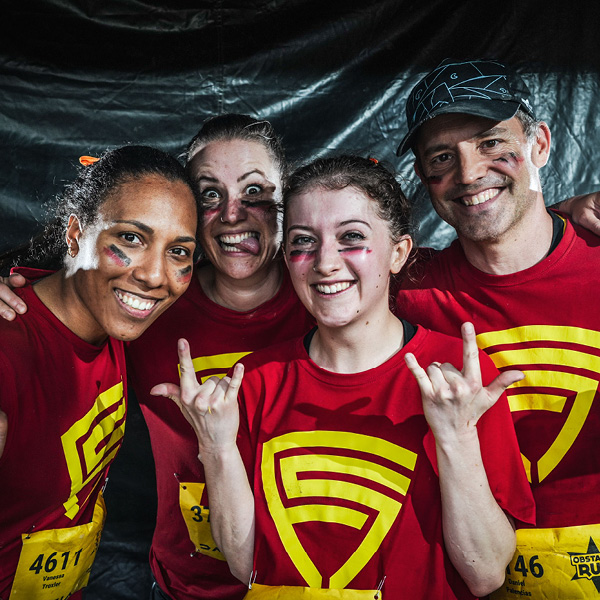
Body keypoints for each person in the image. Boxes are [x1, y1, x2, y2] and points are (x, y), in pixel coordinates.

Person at [154, 155, 536, 599]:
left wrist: (456, 438)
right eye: (303, 241)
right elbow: (246, 567)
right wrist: (217, 447)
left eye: (351, 237)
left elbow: (485, 573)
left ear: (398, 253)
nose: (325, 263)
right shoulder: (256, 381)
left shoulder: (459, 378)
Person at [394, 58, 600, 598]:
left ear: (540, 145)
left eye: (490, 143)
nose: (468, 174)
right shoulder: (405, 292)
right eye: (443, 158)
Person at [125, 114, 314, 600]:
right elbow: (64, 307)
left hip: (308, 583)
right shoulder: (149, 305)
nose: (232, 214)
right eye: (210, 194)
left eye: (254, 191)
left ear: (287, 199)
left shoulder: (331, 300)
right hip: (188, 587)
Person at [0, 145, 200, 600]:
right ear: (75, 236)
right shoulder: (9, 357)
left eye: (179, 252)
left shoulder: (117, 328)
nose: (155, 276)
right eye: (130, 238)